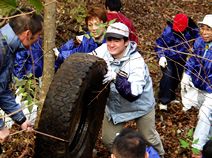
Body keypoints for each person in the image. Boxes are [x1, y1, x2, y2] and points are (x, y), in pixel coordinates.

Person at [91, 22, 165, 157]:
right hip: (116, 108)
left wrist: (116, 78)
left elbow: (133, 94)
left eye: (117, 40)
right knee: (109, 140)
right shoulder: (103, 51)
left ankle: (158, 155)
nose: (111, 44)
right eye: (109, 39)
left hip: (140, 106)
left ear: (126, 42)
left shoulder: (136, 62)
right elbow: (86, 63)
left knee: (149, 138)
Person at [0, 8, 43, 142]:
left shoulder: (8, 47)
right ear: (28, 33)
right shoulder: (1, 49)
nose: (36, 41)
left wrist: (22, 120)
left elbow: (1, 91)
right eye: (37, 37)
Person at [180, 14, 212, 157]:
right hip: (198, 86)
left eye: (208, 29)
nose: (204, 32)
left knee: (205, 115)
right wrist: (187, 73)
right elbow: (193, 59)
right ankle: (208, 144)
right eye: (203, 29)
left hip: (210, 89)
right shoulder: (199, 42)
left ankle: (197, 150)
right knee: (206, 118)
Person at [154, 13, 199, 110]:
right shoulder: (168, 31)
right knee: (168, 75)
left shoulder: (191, 29)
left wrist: (195, 47)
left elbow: (198, 37)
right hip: (168, 57)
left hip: (181, 57)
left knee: (177, 77)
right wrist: (161, 56)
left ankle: (172, 96)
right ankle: (163, 101)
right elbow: (159, 44)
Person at [54, 6, 107, 70]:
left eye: (97, 24)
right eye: (90, 25)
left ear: (104, 23)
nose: (94, 28)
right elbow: (76, 53)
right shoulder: (87, 39)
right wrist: (59, 55)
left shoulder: (112, 40)